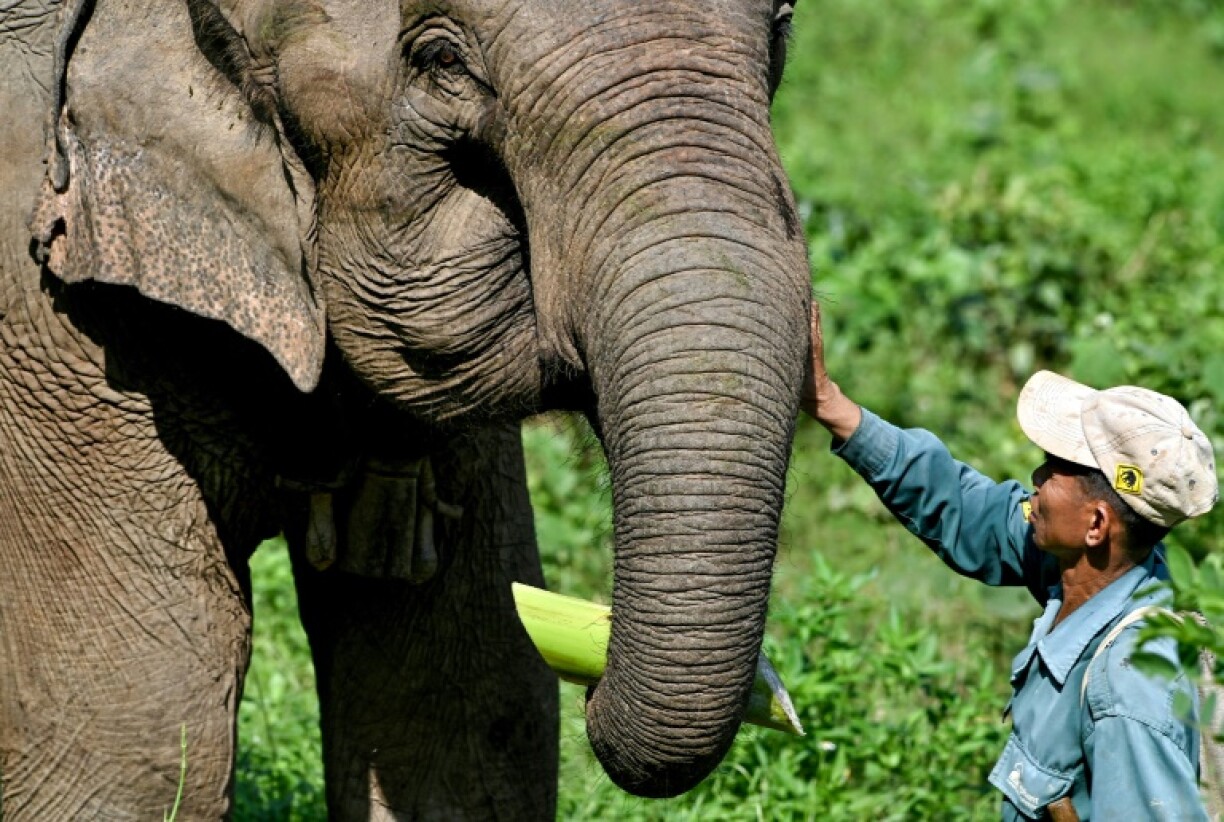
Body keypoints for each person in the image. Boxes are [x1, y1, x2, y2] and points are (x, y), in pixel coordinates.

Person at [801, 303, 1218, 820]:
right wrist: (826, 401)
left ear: (1096, 525)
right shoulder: (1090, 572)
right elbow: (965, 505)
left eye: (1059, 468)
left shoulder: (1129, 687)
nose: (1037, 476)